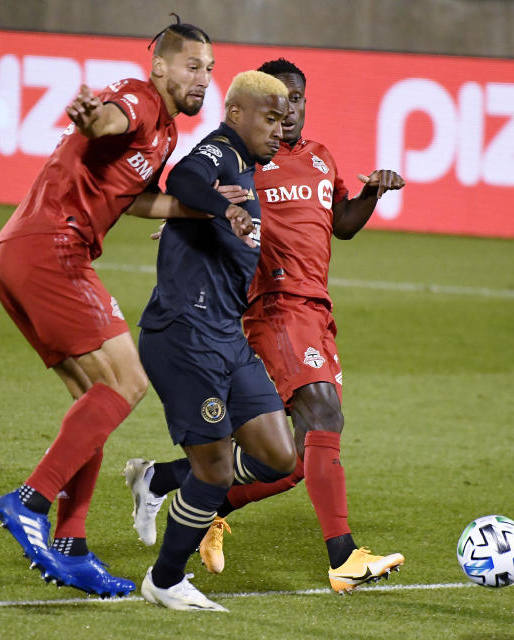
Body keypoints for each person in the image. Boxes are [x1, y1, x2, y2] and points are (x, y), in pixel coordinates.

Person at [0, 17, 252, 599]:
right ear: (159, 66)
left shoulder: (165, 135)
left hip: (19, 252)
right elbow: (110, 119)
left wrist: (202, 210)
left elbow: (133, 197)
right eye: (191, 66)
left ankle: (72, 543)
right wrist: (91, 118)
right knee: (128, 382)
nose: (203, 79)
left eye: (209, 69)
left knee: (96, 400)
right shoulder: (137, 98)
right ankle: (30, 500)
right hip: (52, 250)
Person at [128, 58, 406, 594]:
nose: (290, 112)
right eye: (280, 103)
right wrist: (188, 223)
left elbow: (341, 224)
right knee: (323, 413)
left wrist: (372, 192)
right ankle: (343, 557)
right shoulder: (248, 162)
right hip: (275, 307)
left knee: (291, 458)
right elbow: (200, 192)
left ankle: (169, 484)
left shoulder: (321, 160)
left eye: (298, 100)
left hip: (316, 310)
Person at [127, 70, 294, 612]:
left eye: (284, 117)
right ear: (237, 113)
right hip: (184, 334)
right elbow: (183, 180)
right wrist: (226, 210)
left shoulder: (245, 170)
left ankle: (160, 478)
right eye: (270, 117)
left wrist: (218, 220)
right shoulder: (222, 150)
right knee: (217, 470)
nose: (280, 127)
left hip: (225, 336)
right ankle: (166, 579)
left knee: (276, 455)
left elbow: (202, 212)